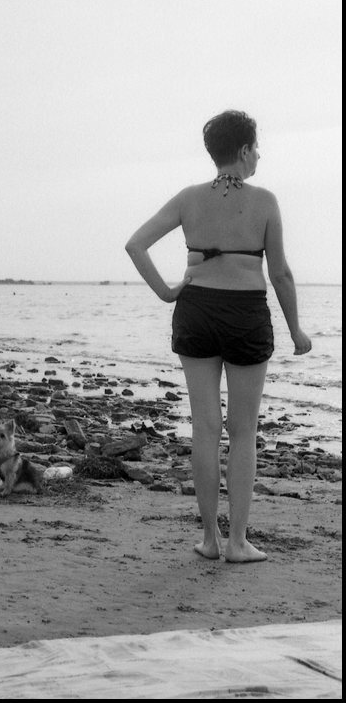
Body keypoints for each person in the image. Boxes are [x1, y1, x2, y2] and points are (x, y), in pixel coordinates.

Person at [125, 110, 311, 563]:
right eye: (256, 147)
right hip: (245, 314)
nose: (259, 155)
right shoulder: (265, 201)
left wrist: (167, 292)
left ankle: (209, 539)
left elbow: (135, 244)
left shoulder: (188, 198)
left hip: (196, 311)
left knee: (205, 429)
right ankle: (238, 543)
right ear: (244, 150)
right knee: (243, 432)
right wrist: (296, 330)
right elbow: (281, 274)